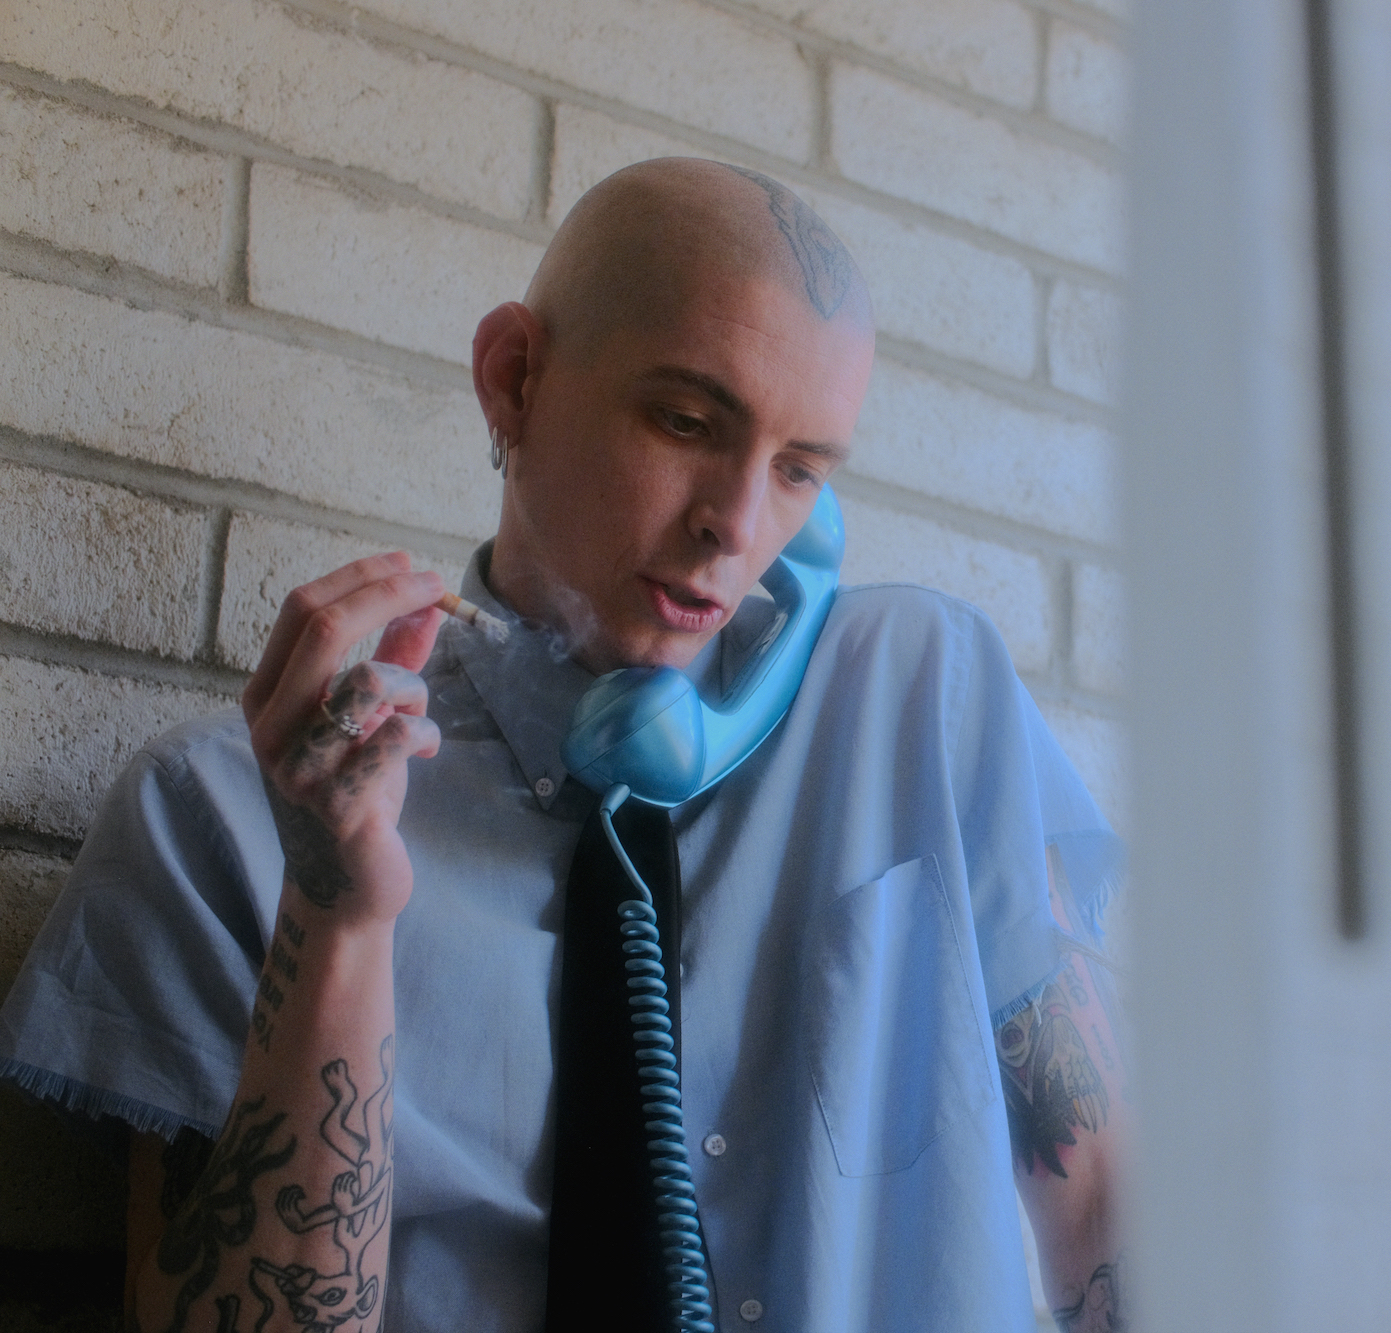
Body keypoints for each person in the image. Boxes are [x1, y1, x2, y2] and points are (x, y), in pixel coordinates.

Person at [0, 159, 1127, 1333]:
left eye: (799, 470)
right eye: (685, 422)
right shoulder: (214, 820)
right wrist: (338, 923)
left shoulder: (919, 703)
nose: (736, 526)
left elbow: (1101, 1212)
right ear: (512, 379)